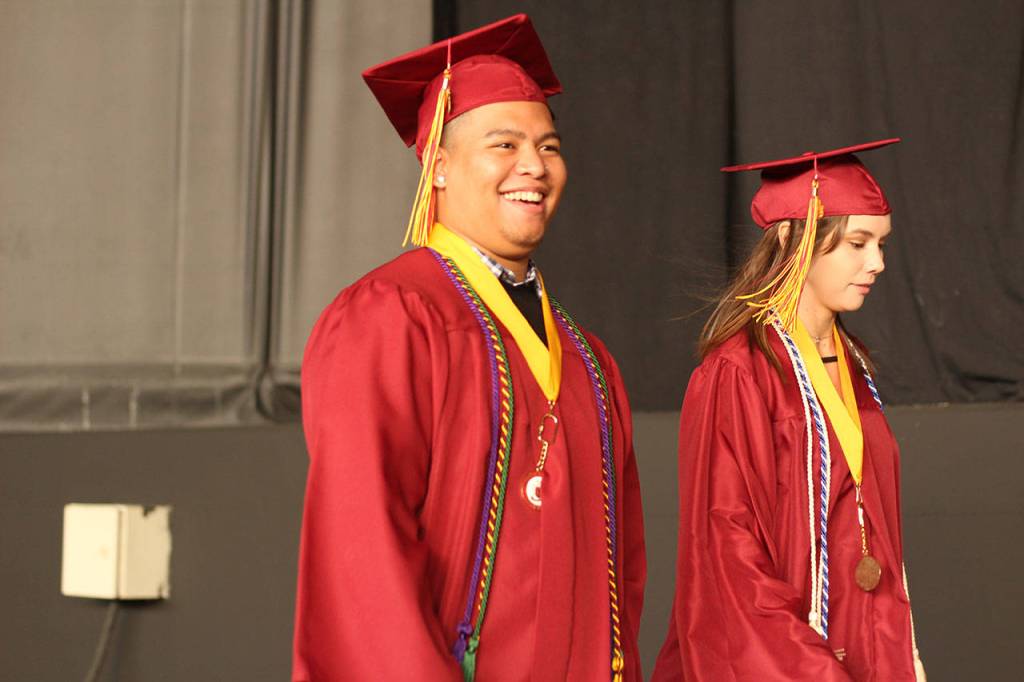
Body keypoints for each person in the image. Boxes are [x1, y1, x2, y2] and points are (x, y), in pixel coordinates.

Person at [292, 14, 646, 682]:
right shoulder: (393, 317)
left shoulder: (588, 358)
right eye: (504, 144)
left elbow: (619, 578)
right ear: (439, 167)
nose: (533, 166)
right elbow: (361, 554)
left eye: (549, 146)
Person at [652, 140, 926, 681]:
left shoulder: (853, 364)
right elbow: (729, 558)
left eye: (881, 244)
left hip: (864, 648)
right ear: (790, 239)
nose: (877, 263)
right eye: (857, 243)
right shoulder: (739, 373)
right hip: (783, 663)